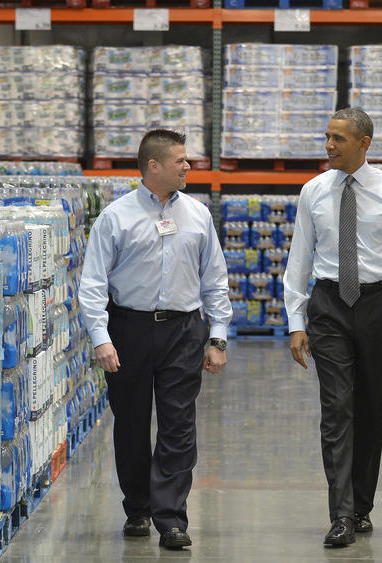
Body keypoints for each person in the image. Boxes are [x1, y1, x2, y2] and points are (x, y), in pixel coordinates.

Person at [78, 129, 232, 550]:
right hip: (128, 329)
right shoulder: (116, 217)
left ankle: (172, 519)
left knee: (178, 426)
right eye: (181, 160)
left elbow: (214, 280)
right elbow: (92, 284)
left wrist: (217, 337)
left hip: (183, 330)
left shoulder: (198, 215)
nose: (188, 167)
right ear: (154, 166)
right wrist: (101, 337)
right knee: (130, 422)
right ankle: (138, 508)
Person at [283, 107, 382, 546]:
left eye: (339, 138)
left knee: (371, 409)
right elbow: (299, 258)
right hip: (328, 307)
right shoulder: (313, 191)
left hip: (378, 305)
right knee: (337, 409)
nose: (329, 145)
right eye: (327, 136)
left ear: (364, 143)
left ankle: (362, 505)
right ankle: (341, 514)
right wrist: (295, 320)